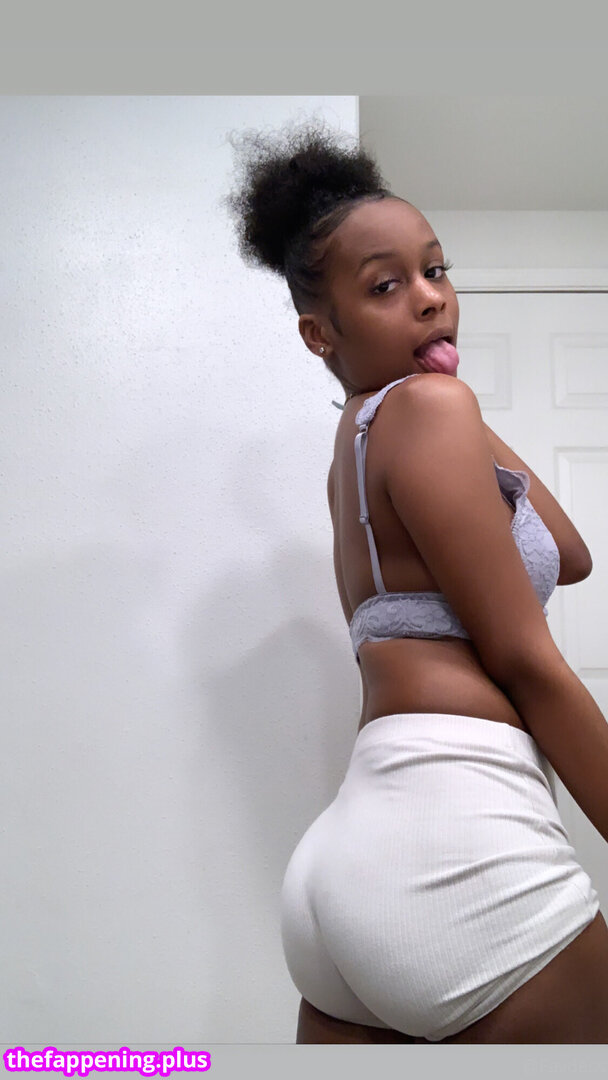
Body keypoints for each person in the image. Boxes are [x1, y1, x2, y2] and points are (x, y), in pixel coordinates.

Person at [224, 119, 608, 1043]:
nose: (432, 298)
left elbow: (570, 552)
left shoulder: (364, 440)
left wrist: (442, 385)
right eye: (386, 286)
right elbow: (525, 659)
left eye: (436, 270)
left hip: (341, 878)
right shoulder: (429, 412)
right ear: (319, 333)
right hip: (457, 839)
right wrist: (445, 395)